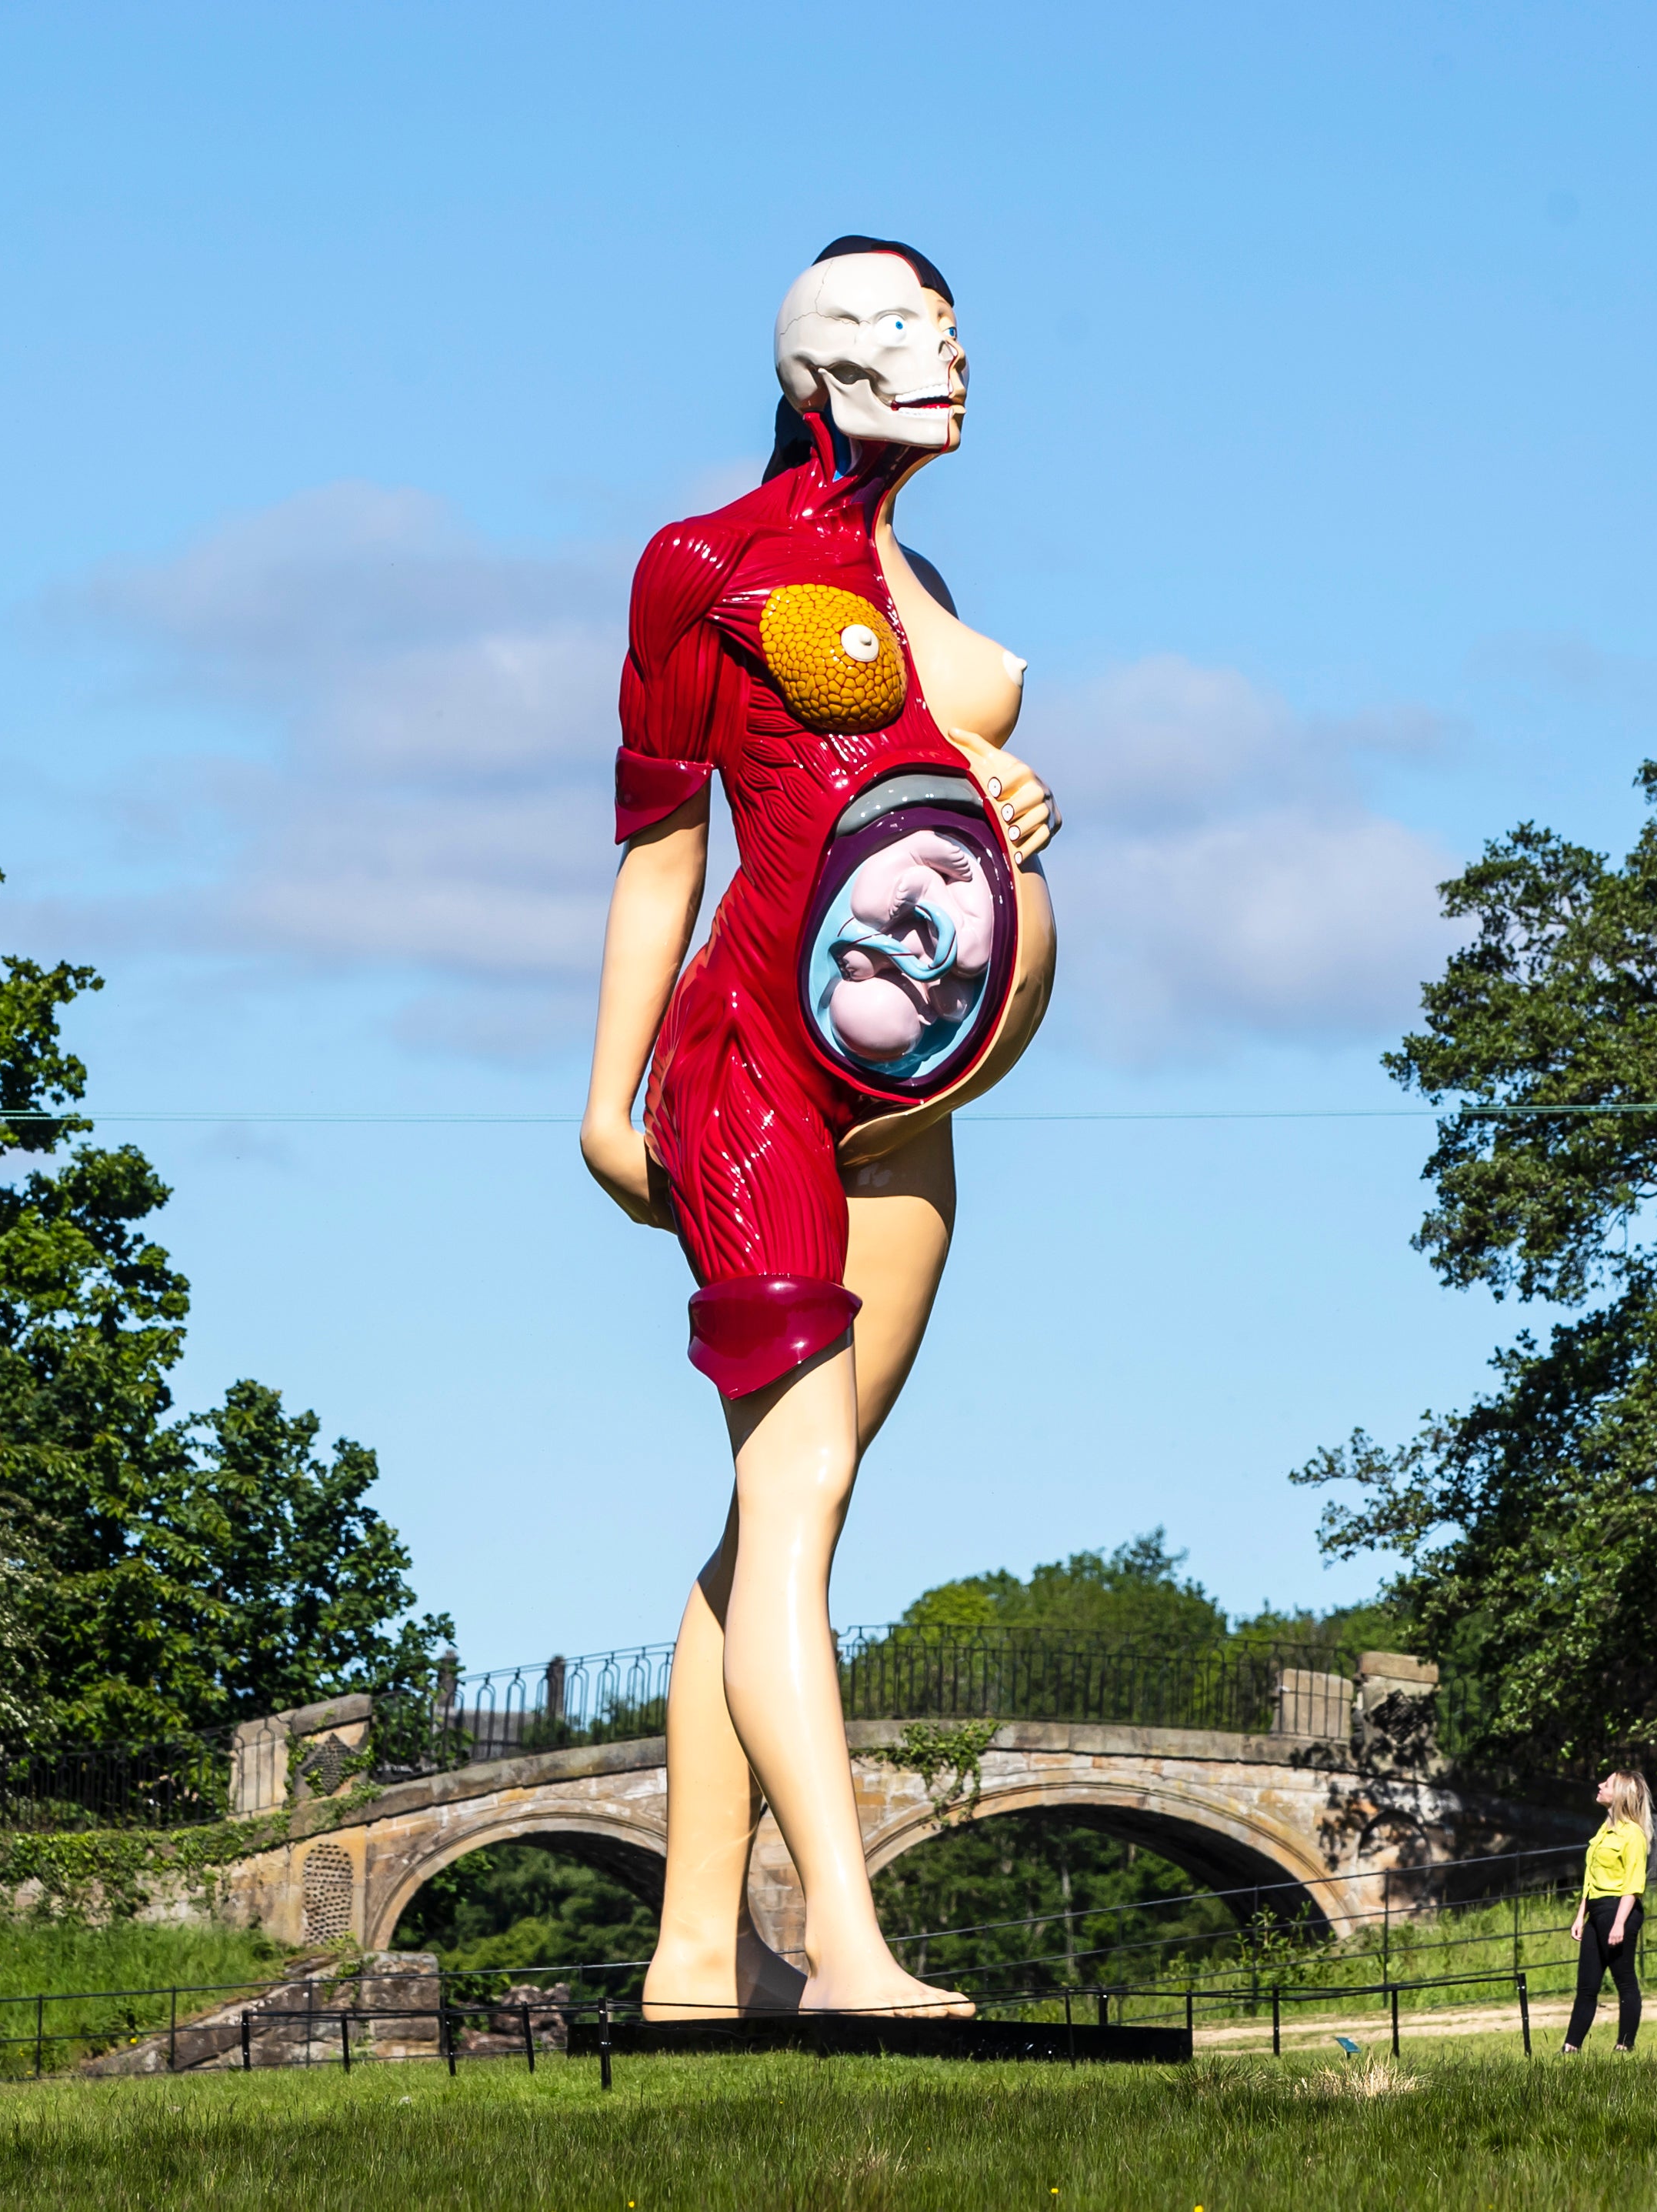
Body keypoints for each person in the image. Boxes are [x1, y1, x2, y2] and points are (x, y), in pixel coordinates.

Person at [581, 235, 1060, 2020]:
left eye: (941, 323)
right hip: (751, 1075)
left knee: (776, 1515)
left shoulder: (912, 571)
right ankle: (846, 1942)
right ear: (810, 373)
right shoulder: (703, 566)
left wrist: (1004, 794)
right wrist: (604, 1087)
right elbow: (660, 845)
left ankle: (695, 1956)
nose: (934, 351)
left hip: (906, 1107)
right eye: (886, 326)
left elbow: (910, 781)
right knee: (800, 1492)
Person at [1560, 1768, 1653, 2054]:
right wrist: (1581, 1915)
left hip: (1618, 1910)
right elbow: (1591, 1876)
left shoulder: (1633, 1835)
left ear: (1621, 1795)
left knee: (1624, 1980)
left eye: (1608, 1784)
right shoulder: (1605, 1829)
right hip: (1597, 1910)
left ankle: (1625, 2046)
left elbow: (1634, 1884)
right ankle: (1570, 2048)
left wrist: (1619, 1924)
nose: (1600, 1785)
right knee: (1587, 1984)